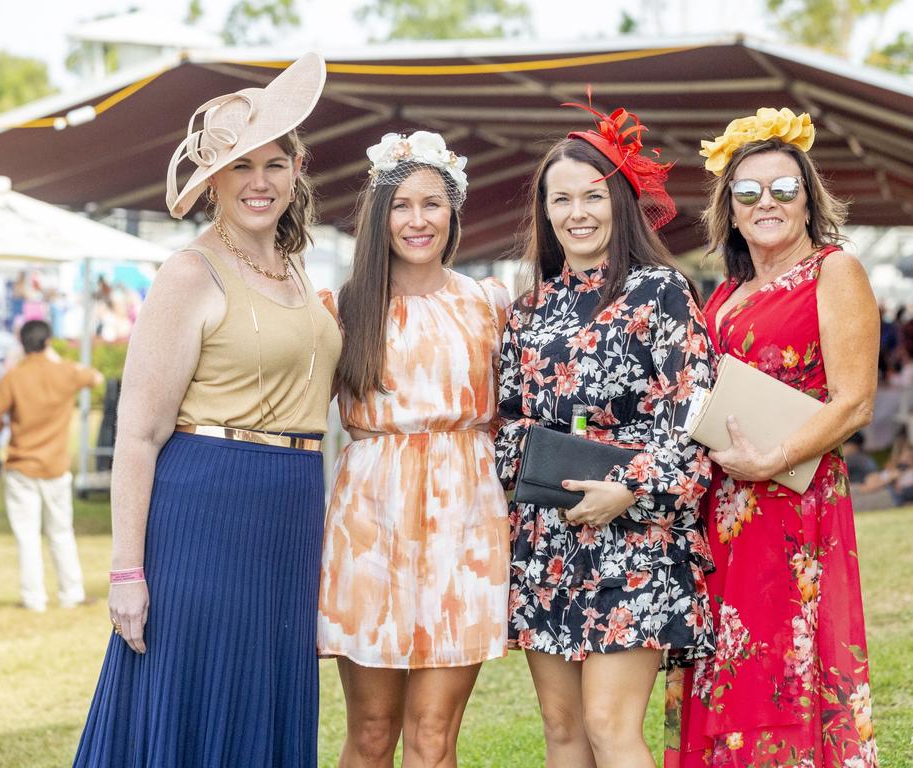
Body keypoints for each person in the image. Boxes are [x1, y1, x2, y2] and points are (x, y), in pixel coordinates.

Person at [73, 53, 340, 768]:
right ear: (213, 179)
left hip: (289, 511)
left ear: (296, 170)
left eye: (275, 164)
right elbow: (138, 432)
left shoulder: (293, 269)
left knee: (266, 693)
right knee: (198, 689)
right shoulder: (190, 272)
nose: (260, 182)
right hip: (207, 507)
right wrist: (127, 571)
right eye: (241, 166)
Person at [495, 98, 715, 768]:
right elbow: (505, 423)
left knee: (609, 727)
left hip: (636, 537)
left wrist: (629, 486)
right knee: (562, 731)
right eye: (561, 200)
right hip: (549, 542)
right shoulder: (528, 308)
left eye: (593, 196)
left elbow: (697, 418)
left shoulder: (662, 293)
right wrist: (529, 469)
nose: (577, 214)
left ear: (619, 200)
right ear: (545, 211)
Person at [668, 107, 880, 767]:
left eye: (784, 189)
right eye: (748, 191)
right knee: (727, 664)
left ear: (808, 201)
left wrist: (774, 459)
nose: (767, 202)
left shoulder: (834, 272)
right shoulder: (727, 292)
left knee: (781, 666)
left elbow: (855, 401)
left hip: (794, 501)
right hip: (722, 509)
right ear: (729, 209)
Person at [317, 130, 511, 767]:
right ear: (379, 216)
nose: (417, 219)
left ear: (453, 211)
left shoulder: (489, 304)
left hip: (466, 523)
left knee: (433, 736)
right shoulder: (346, 308)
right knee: (372, 732)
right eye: (401, 205)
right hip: (370, 522)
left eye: (432, 203)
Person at [0, 319, 103, 611]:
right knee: (61, 532)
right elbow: (95, 378)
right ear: (48, 341)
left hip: (22, 466)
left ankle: (34, 598)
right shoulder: (65, 372)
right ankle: (72, 593)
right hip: (55, 465)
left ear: (21, 343)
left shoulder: (14, 378)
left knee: (27, 535)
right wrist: (55, 358)